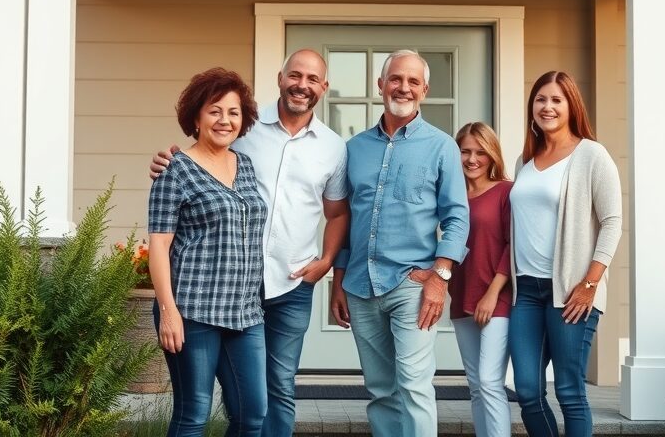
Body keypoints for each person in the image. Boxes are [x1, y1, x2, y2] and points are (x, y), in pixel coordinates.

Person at [150, 49, 350, 437]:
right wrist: (168, 310)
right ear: (280, 77)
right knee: (195, 412)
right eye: (295, 75)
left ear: (324, 87)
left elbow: (338, 212)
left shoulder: (325, 148)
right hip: (203, 300)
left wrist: (326, 260)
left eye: (313, 79)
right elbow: (163, 235)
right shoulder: (227, 144)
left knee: (265, 400)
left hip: (278, 289)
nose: (302, 85)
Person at [329, 49, 470, 437]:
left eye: (412, 81)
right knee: (380, 390)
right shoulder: (354, 148)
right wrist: (338, 281)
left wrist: (440, 278)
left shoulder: (442, 147)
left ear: (424, 89)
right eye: (395, 79)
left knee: (413, 386)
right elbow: (346, 218)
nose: (403, 87)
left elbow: (457, 218)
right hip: (359, 285)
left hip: (413, 285)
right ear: (380, 86)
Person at [147, 67, 269, 437]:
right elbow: (158, 245)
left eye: (233, 112)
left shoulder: (245, 164)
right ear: (196, 117)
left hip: (245, 311)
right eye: (215, 111)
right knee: (193, 414)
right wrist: (169, 312)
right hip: (192, 309)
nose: (225, 120)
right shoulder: (176, 170)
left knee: (252, 416)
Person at [507, 70, 622, 437]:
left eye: (557, 99)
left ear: (572, 105)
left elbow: (612, 222)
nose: (548, 106)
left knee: (570, 391)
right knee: (526, 390)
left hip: (571, 293)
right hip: (525, 291)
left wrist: (590, 283)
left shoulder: (591, 154)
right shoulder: (524, 160)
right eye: (541, 99)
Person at [450, 122, 513, 437]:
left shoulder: (505, 191)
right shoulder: (452, 195)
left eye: (480, 152)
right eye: (465, 151)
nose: (472, 159)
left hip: (496, 298)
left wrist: (493, 293)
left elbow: (513, 245)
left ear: (492, 156)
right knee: (476, 385)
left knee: (490, 381)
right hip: (462, 294)